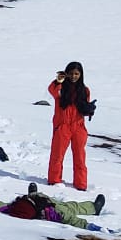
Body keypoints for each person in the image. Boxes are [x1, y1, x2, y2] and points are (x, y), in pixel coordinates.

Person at [0, 183, 108, 231]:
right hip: (53, 206)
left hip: (38, 204)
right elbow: (72, 220)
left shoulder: (13, 208)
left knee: (69, 207)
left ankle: (34, 193)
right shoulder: (55, 211)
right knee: (72, 207)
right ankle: (94, 208)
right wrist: (92, 226)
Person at [48, 62, 96, 190]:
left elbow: (84, 109)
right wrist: (58, 81)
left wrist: (89, 109)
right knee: (57, 155)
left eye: (76, 74)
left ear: (81, 75)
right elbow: (52, 91)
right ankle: (54, 180)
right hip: (62, 126)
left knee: (80, 157)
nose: (74, 76)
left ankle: (81, 184)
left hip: (79, 127)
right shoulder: (61, 88)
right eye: (71, 73)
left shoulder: (85, 90)